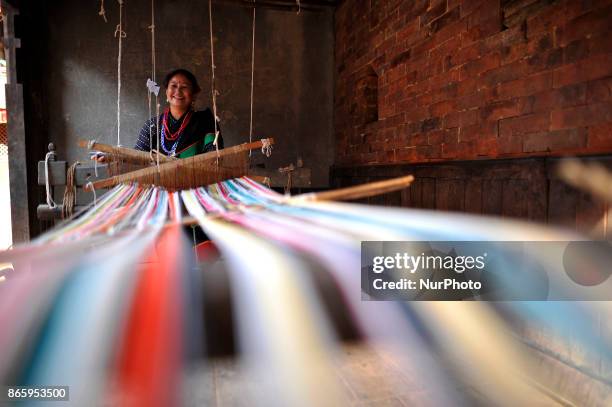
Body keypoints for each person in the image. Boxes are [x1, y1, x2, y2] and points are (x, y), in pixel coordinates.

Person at [134, 68, 223, 158]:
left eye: (184, 87)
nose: (178, 91)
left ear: (193, 95)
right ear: (166, 91)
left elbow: (213, 158)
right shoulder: (152, 126)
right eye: (173, 86)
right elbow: (137, 160)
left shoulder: (205, 121)